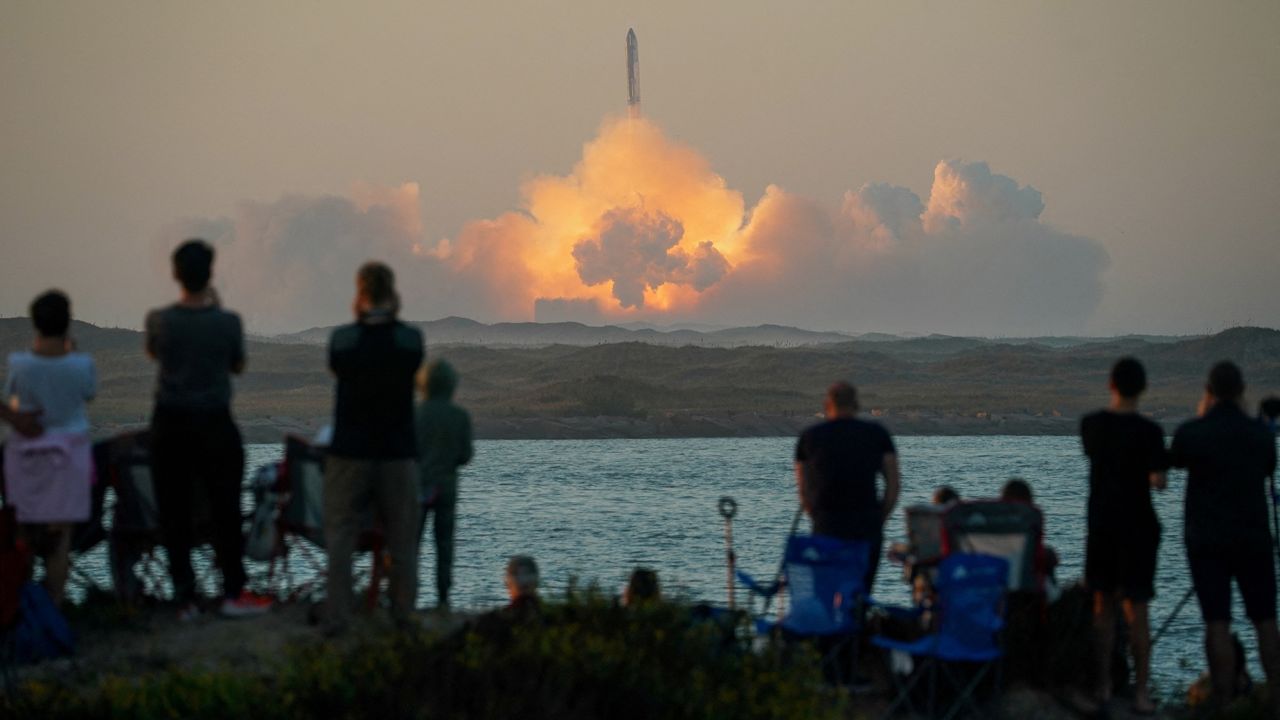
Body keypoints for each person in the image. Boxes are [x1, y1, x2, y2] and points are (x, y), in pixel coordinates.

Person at [145, 239, 268, 619]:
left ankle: (184, 596)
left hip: (170, 423)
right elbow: (238, 366)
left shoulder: (159, 321)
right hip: (215, 423)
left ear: (175, 274)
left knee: (174, 511)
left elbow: (154, 353)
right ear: (210, 273)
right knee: (225, 509)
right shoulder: (228, 323)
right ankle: (232, 591)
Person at [323, 261, 424, 634]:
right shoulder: (410, 340)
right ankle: (402, 617)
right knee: (402, 539)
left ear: (360, 293)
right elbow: (412, 364)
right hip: (397, 451)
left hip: (349, 451)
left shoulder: (342, 340)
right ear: (393, 293)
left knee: (341, 535)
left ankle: (338, 618)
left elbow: (338, 367)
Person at [1172, 361, 1280, 707]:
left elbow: (1175, 459)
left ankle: (1222, 701)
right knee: (1265, 620)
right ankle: (1275, 699)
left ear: (1209, 391)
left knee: (1216, 621)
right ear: (1241, 391)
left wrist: (1203, 414)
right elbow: (1268, 466)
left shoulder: (1192, 432)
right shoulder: (1260, 434)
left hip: (1207, 541)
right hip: (1253, 539)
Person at [1080, 357, 1168, 714]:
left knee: (1102, 607)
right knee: (1138, 610)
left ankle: (1102, 685)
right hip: (1139, 527)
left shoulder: (1091, 425)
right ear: (1143, 388)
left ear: (1110, 384)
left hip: (1102, 525)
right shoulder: (1151, 432)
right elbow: (1159, 482)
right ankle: (1142, 692)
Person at [3, 291, 95, 605]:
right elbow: (87, 394)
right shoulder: (81, 365)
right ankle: (54, 609)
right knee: (60, 542)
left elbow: (15, 402)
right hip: (68, 460)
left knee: (24, 537)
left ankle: (22, 610)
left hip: (26, 459)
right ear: (67, 323)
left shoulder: (20, 365)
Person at [794, 381, 900, 593]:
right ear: (856, 405)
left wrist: (817, 517)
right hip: (866, 525)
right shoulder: (877, 434)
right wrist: (879, 518)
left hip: (827, 525)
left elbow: (804, 490)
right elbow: (893, 486)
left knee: (828, 592)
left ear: (827, 405)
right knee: (861, 592)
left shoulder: (810, 437)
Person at [414, 359, 473, 612]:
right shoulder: (460, 416)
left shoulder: (414, 415)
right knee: (444, 543)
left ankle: (408, 595)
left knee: (412, 544)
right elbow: (465, 456)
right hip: (447, 488)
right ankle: (443, 597)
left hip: (418, 488)